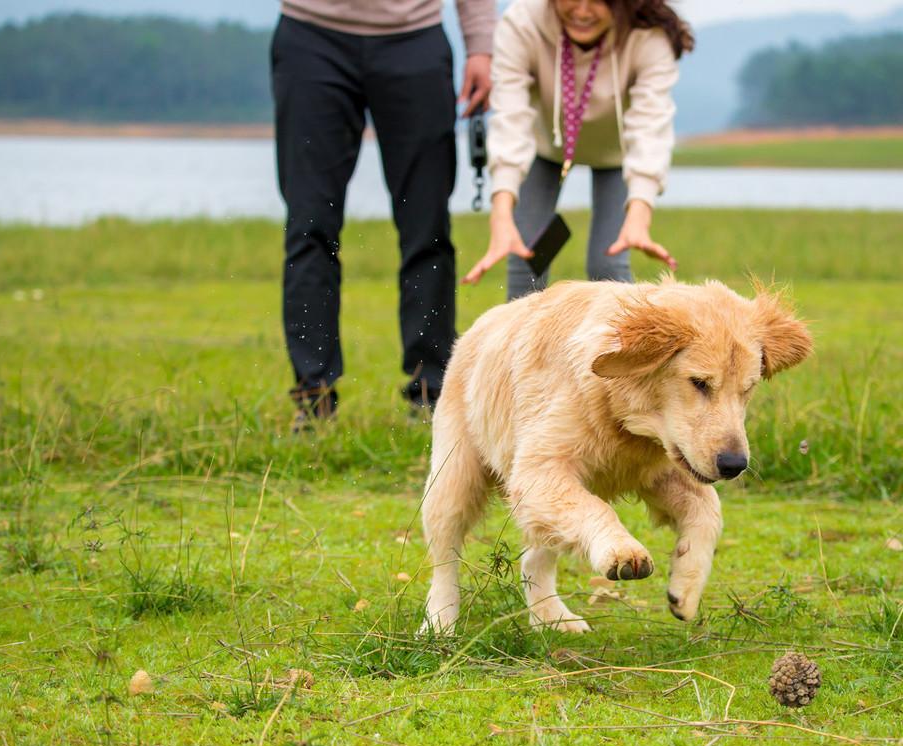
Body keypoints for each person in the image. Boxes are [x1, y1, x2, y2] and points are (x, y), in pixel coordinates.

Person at [272, 0, 495, 429]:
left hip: (415, 38)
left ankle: (430, 394)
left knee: (426, 229)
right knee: (309, 226)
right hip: (310, 36)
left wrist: (481, 47)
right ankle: (313, 398)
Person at [463, 0, 693, 299]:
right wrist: (501, 211)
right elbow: (510, 117)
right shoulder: (521, 23)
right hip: (543, 147)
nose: (583, 11)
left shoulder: (649, 35)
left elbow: (650, 128)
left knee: (607, 265)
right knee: (526, 259)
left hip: (618, 156)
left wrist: (640, 213)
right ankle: (519, 346)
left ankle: (619, 346)